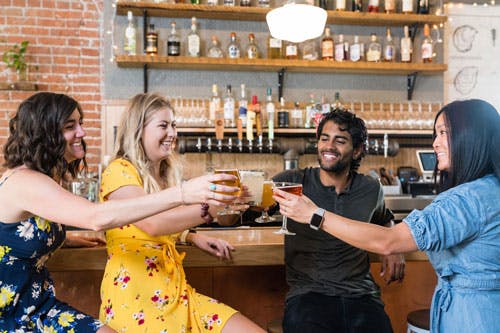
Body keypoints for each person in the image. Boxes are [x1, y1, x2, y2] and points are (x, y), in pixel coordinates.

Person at [0, 92, 239, 333]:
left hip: (36, 306)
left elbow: (16, 234)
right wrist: (184, 193)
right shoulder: (25, 181)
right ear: (44, 132)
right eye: (70, 126)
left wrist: (67, 239)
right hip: (9, 313)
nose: (82, 133)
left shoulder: (43, 179)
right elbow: (96, 218)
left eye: (80, 123)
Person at [274, 99, 500, 333]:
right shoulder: (489, 189)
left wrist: (315, 215)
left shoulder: (466, 199)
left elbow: (389, 240)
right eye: (436, 134)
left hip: (473, 316)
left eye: (443, 133)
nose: (435, 144)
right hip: (310, 295)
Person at [98, 93, 264, 333]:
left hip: (178, 294)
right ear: (138, 130)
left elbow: (168, 226)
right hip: (138, 301)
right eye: (163, 126)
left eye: (174, 125)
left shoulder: (165, 175)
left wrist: (191, 236)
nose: (172, 133)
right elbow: (152, 224)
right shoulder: (118, 171)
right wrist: (214, 208)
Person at [271, 108, 405, 333]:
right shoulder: (292, 182)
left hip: (361, 295)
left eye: (340, 141)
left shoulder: (370, 188)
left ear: (357, 150)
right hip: (309, 295)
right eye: (324, 139)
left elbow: (385, 219)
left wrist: (393, 248)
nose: (329, 146)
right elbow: (250, 210)